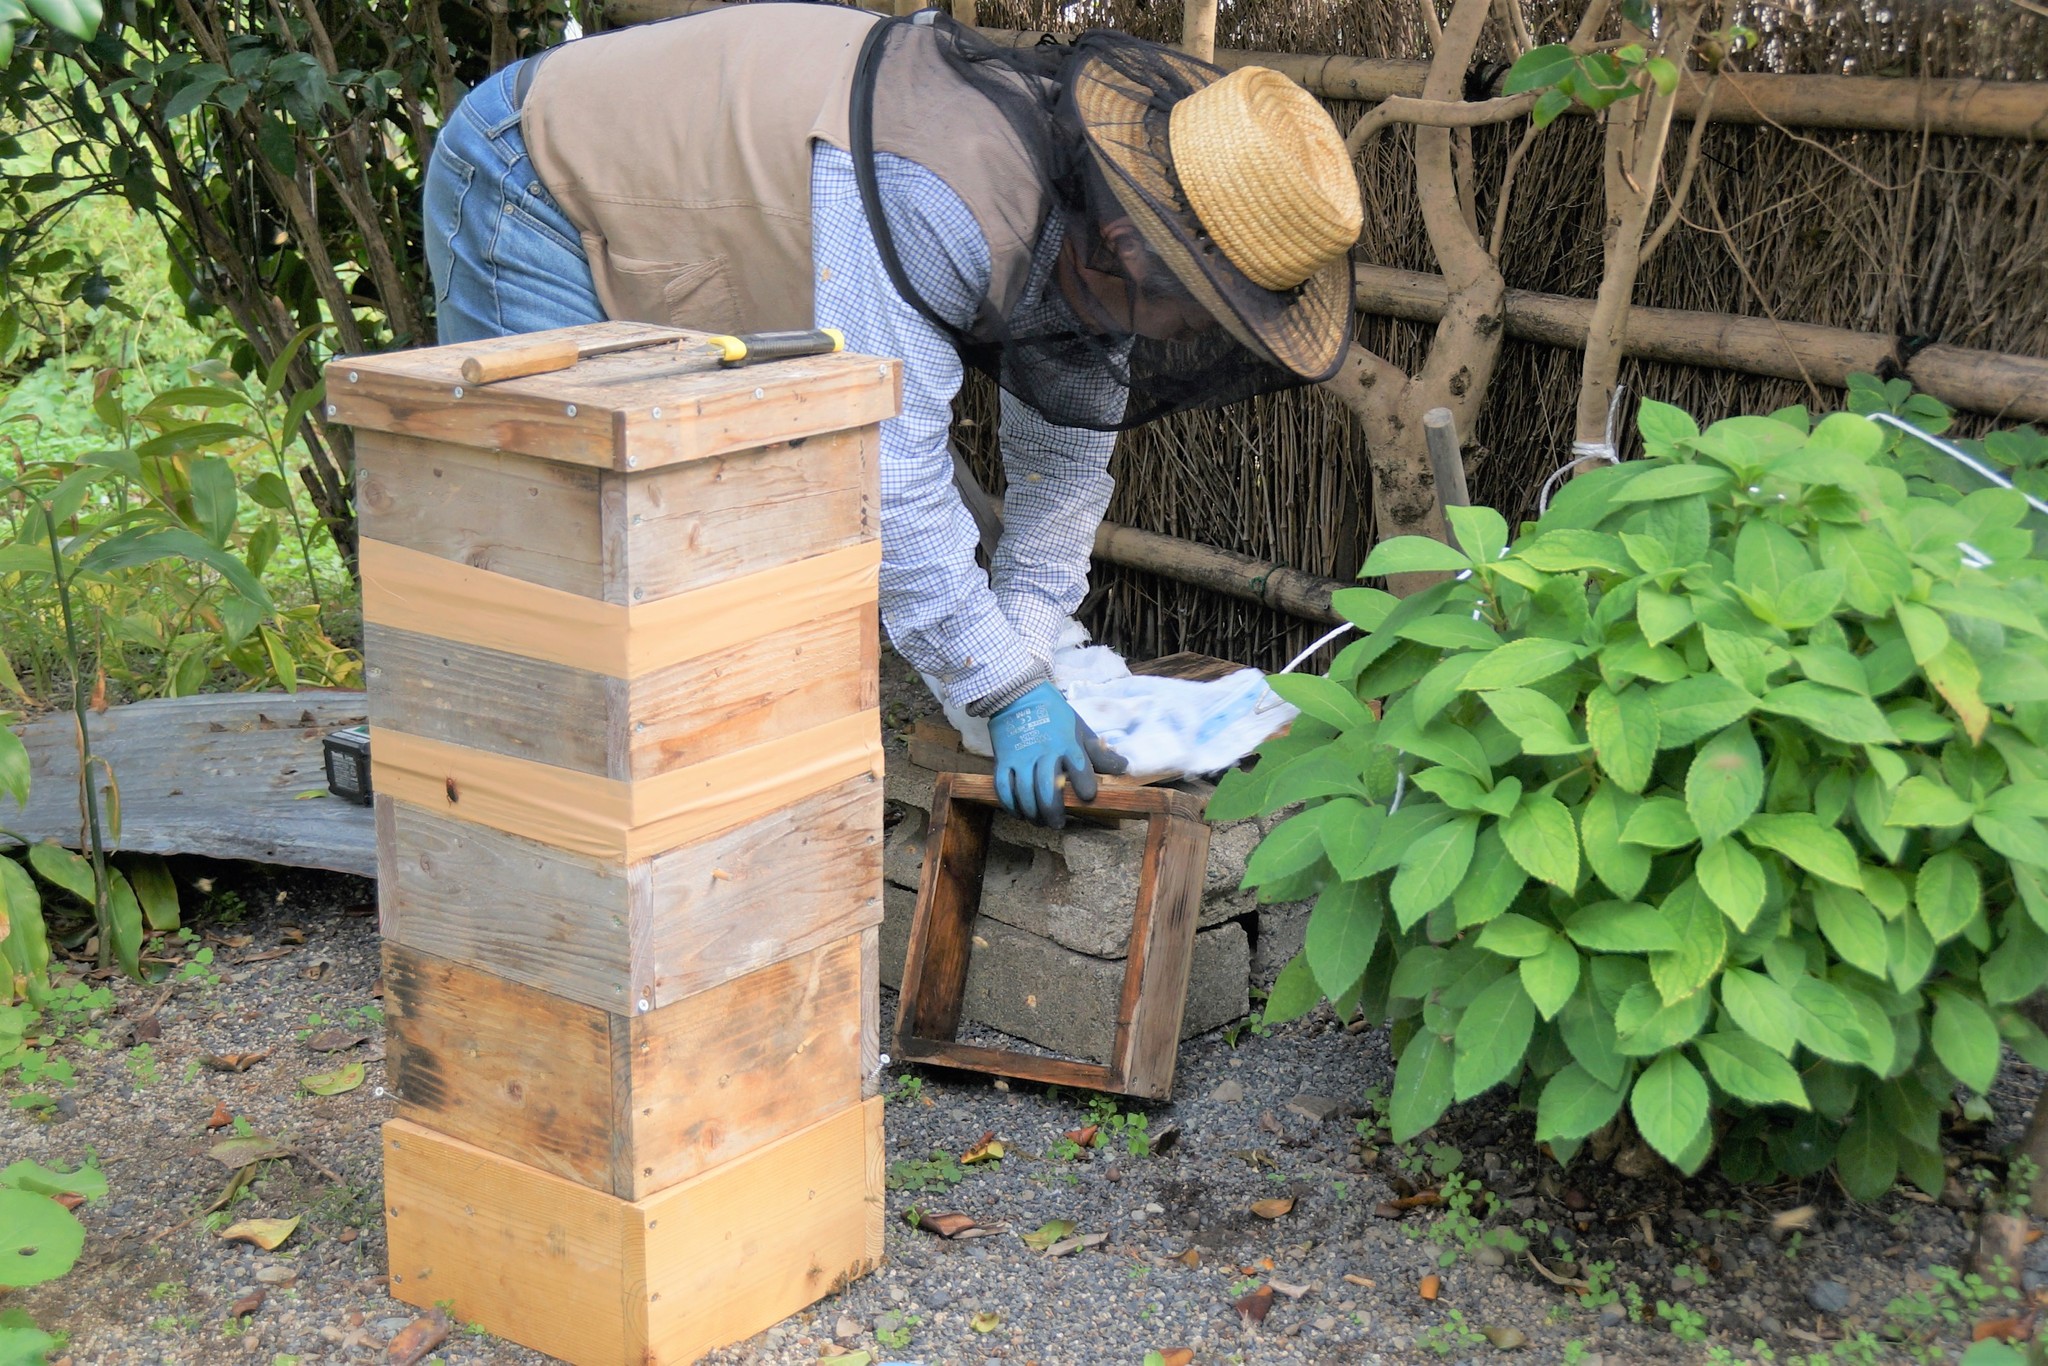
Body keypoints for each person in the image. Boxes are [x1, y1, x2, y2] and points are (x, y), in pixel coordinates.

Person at [423, 3, 1363, 828]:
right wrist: (1001, 689)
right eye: (1197, 306)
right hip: (541, 172)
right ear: (1128, 245)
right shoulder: (944, 190)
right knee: (561, 569)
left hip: (725, 244)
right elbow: (890, 467)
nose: (1193, 330)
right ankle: (495, 836)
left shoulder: (1100, 229)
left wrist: (1030, 644)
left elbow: (1065, 465)